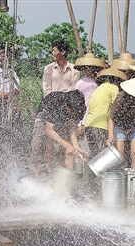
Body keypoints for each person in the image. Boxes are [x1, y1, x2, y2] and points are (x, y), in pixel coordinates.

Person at [30, 41, 80, 177]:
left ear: (62, 53)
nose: (52, 53)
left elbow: (73, 91)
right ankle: (34, 180)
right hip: (48, 109)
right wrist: (57, 101)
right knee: (38, 146)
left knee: (60, 149)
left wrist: (76, 148)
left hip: (65, 107)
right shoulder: (49, 69)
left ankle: (62, 178)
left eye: (54, 51)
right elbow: (47, 89)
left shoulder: (74, 70)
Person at [84, 68, 127, 193]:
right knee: (102, 158)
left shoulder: (101, 87)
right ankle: (97, 188)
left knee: (95, 155)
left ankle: (90, 185)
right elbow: (115, 111)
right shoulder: (114, 89)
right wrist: (111, 136)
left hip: (89, 124)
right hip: (100, 125)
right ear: (118, 82)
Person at [31, 90, 87, 175]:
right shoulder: (56, 102)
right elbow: (49, 130)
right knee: (38, 148)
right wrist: (67, 145)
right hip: (43, 120)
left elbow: (72, 127)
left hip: (62, 122)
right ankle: (34, 177)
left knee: (64, 151)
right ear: (66, 105)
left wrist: (76, 147)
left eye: (74, 113)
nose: (72, 114)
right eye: (71, 112)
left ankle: (68, 177)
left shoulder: (80, 108)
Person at [74, 53, 106, 136]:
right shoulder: (80, 84)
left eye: (90, 67)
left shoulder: (101, 82)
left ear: (94, 68)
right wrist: (79, 124)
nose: (87, 69)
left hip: (100, 119)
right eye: (85, 67)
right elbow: (76, 105)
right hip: (86, 120)